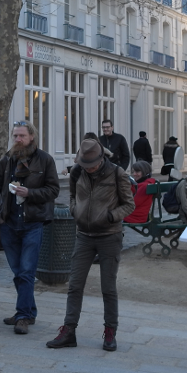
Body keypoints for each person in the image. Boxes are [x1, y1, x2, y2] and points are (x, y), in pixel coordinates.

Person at [47, 139, 133, 352]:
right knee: (75, 285)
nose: (89, 169)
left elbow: (129, 204)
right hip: (84, 235)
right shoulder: (77, 172)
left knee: (108, 287)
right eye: (85, 165)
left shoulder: (117, 173)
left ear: (101, 158)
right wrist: (74, 210)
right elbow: (73, 195)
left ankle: (110, 331)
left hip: (109, 236)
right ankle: (69, 330)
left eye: (92, 165)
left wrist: (111, 216)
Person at [0, 121, 59, 334]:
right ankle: (29, 311)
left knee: (26, 272)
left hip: (33, 223)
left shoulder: (45, 160)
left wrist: (29, 193)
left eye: (22, 136)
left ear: (32, 136)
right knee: (18, 272)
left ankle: (22, 316)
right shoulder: (7, 160)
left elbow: (53, 190)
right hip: (9, 223)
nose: (18, 140)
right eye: (15, 136)